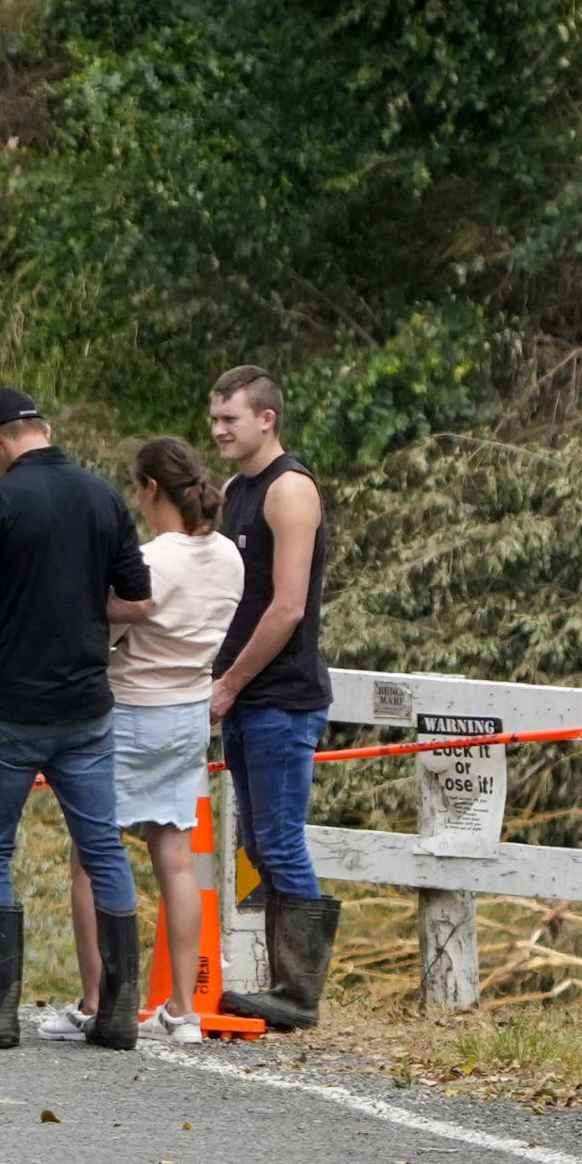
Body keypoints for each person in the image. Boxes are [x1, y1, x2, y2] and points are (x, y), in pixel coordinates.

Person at [0, 386, 152, 1051]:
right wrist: (81, 605)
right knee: (103, 848)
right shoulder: (104, 497)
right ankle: (118, 1017)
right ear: (46, 428)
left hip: (9, 709)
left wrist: (5, 603)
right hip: (86, 709)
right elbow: (138, 602)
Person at [60, 437, 243, 1043]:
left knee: (91, 858)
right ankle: (183, 1011)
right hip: (189, 711)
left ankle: (96, 1000)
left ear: (149, 490)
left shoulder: (151, 561)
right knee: (176, 855)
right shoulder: (228, 558)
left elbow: (102, 624)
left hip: (130, 712)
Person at [205, 365, 338, 1031]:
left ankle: (299, 991)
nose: (219, 430)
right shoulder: (234, 491)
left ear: (267, 419)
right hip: (242, 694)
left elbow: (287, 607)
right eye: (215, 419)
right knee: (256, 843)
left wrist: (228, 683)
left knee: (279, 843)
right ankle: (284, 980)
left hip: (281, 695)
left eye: (230, 418)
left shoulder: (290, 491)